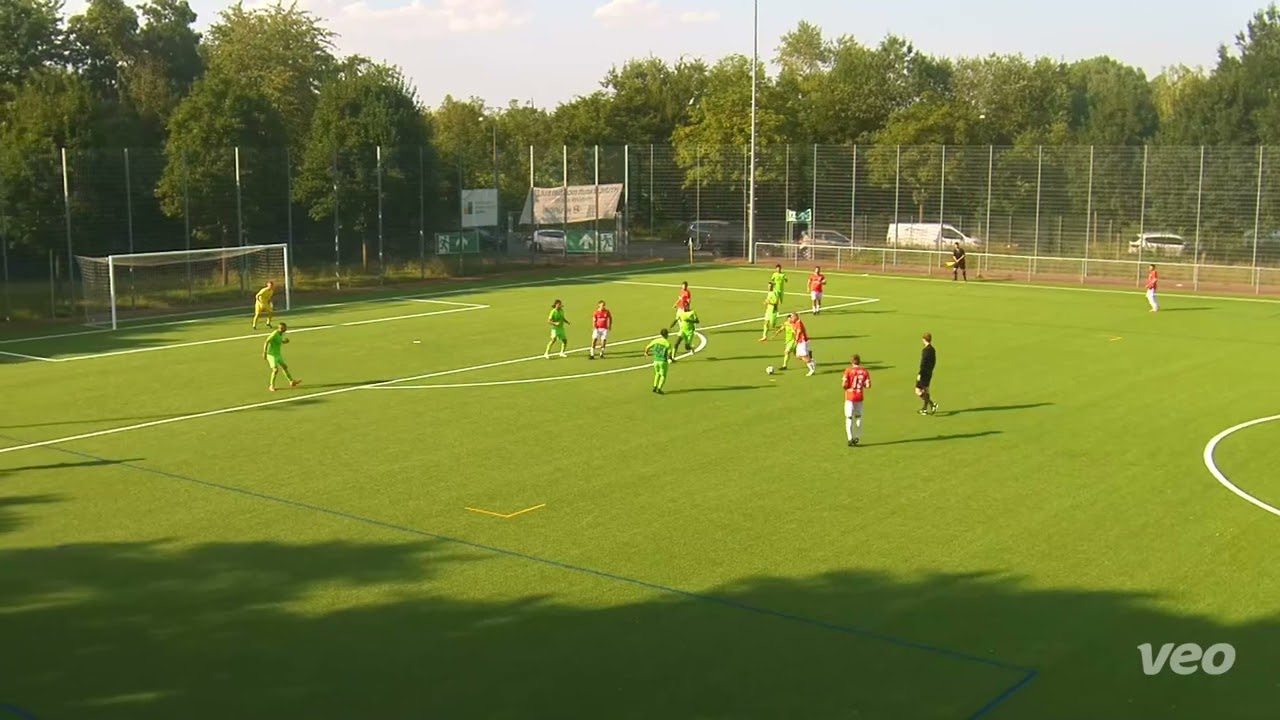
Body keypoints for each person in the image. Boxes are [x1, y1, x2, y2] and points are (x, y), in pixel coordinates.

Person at [842, 354, 871, 446]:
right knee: (858, 417)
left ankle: (850, 438)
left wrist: (847, 387)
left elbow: (844, 384)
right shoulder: (864, 371)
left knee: (849, 417)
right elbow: (868, 385)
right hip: (859, 396)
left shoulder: (848, 371)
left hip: (850, 397)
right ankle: (857, 437)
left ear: (851, 361)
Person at [262, 323, 300, 392]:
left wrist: (285, 341)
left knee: (284, 367)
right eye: (284, 328)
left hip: (278, 354)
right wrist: (264, 352)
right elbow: (266, 341)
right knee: (275, 370)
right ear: (280, 328)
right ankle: (271, 386)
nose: (286, 329)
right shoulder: (274, 334)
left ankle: (291, 381)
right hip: (271, 355)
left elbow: (279, 341)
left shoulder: (281, 334)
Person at [644, 328, 674, 394]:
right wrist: (671, 359)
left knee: (657, 373)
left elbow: (647, 347)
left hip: (655, 361)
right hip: (663, 361)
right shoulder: (667, 343)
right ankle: (659, 388)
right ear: (666, 335)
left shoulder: (656, 341)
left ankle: (654, 386)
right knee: (663, 375)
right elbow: (669, 353)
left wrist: (646, 353)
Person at [917, 332, 938, 415]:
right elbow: (934, 361)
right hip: (929, 373)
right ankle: (925, 409)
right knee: (926, 390)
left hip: (924, 373)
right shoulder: (933, 349)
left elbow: (923, 363)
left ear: (924, 340)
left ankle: (932, 404)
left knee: (918, 390)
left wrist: (920, 374)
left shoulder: (925, 351)